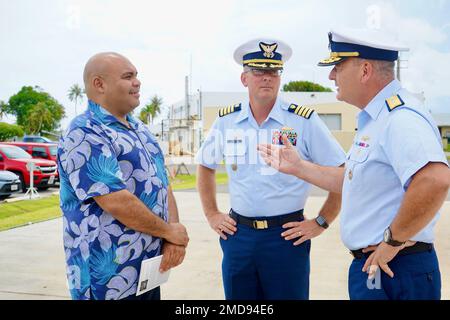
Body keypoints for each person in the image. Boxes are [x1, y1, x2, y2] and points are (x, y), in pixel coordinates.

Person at [258, 28, 450, 300]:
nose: (331, 76)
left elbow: (435, 180)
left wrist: (392, 241)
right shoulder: (376, 118)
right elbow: (354, 179)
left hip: (396, 267)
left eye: (337, 66)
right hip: (381, 266)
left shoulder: (400, 116)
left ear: (365, 70)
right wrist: (299, 167)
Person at [196, 38, 346, 300]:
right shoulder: (226, 121)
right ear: (244, 78)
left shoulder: (302, 120)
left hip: (286, 238)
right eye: (259, 71)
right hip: (238, 236)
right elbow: (205, 166)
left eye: (273, 72)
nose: (267, 78)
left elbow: (342, 172)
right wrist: (211, 214)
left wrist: (322, 221)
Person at [57, 52, 189, 300]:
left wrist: (172, 236)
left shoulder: (140, 129)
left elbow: (163, 185)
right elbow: (114, 199)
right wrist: (169, 232)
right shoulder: (85, 130)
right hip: (106, 281)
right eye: (128, 77)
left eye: (136, 76)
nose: (137, 82)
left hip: (147, 271)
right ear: (99, 84)